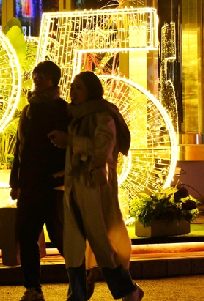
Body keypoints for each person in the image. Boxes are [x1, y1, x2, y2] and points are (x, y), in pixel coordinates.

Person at [48, 71, 143, 301]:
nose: (73, 92)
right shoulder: (76, 116)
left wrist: (70, 141)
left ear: (91, 90)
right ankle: (77, 295)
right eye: (72, 87)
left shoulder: (103, 116)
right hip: (75, 189)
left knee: (101, 243)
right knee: (73, 246)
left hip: (94, 190)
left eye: (79, 87)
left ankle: (128, 290)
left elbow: (103, 148)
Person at [9, 61, 69, 301]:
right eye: (35, 74)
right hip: (30, 184)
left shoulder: (61, 108)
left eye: (43, 75)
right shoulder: (28, 109)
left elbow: (66, 146)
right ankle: (33, 288)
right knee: (26, 235)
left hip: (52, 184)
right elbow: (20, 148)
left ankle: (81, 274)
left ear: (54, 80)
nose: (37, 78)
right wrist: (16, 181)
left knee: (60, 236)